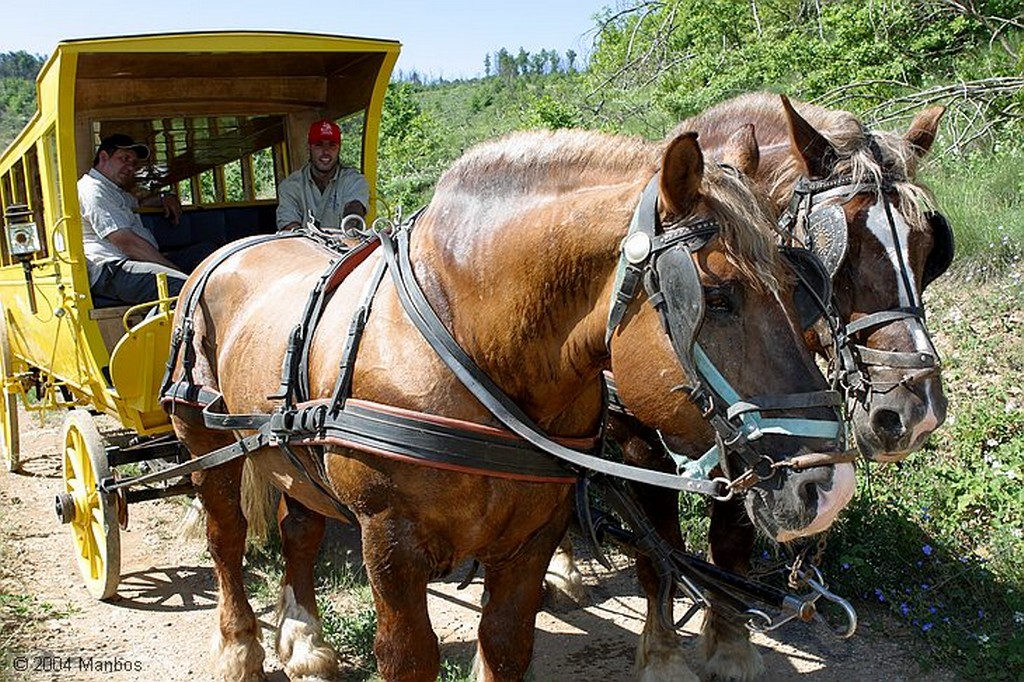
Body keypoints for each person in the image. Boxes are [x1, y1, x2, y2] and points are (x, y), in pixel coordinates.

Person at [78, 134, 204, 306]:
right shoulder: (92, 189)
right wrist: (173, 270)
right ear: (104, 157)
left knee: (205, 252)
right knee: (187, 288)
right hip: (112, 270)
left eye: (133, 163)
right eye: (125, 159)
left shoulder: (113, 190)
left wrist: (163, 198)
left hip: (131, 262)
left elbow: (139, 203)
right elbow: (125, 242)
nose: (130, 167)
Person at [276, 119, 369, 231]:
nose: (326, 152)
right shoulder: (290, 186)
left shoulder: (354, 180)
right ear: (309, 148)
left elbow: (355, 209)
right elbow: (289, 227)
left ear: (339, 149)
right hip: (304, 247)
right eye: (319, 145)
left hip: (346, 246)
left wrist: (352, 222)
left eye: (332, 145)